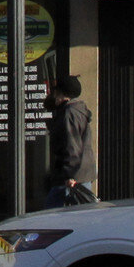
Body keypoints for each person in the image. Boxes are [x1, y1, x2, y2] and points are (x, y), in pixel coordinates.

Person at [44, 74, 96, 207]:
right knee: (78, 214)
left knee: (51, 212)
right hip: (81, 174)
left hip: (71, 176)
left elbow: (71, 146)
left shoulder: (69, 114)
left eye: (55, 92)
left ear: (60, 93)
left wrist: (69, 176)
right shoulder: (78, 110)